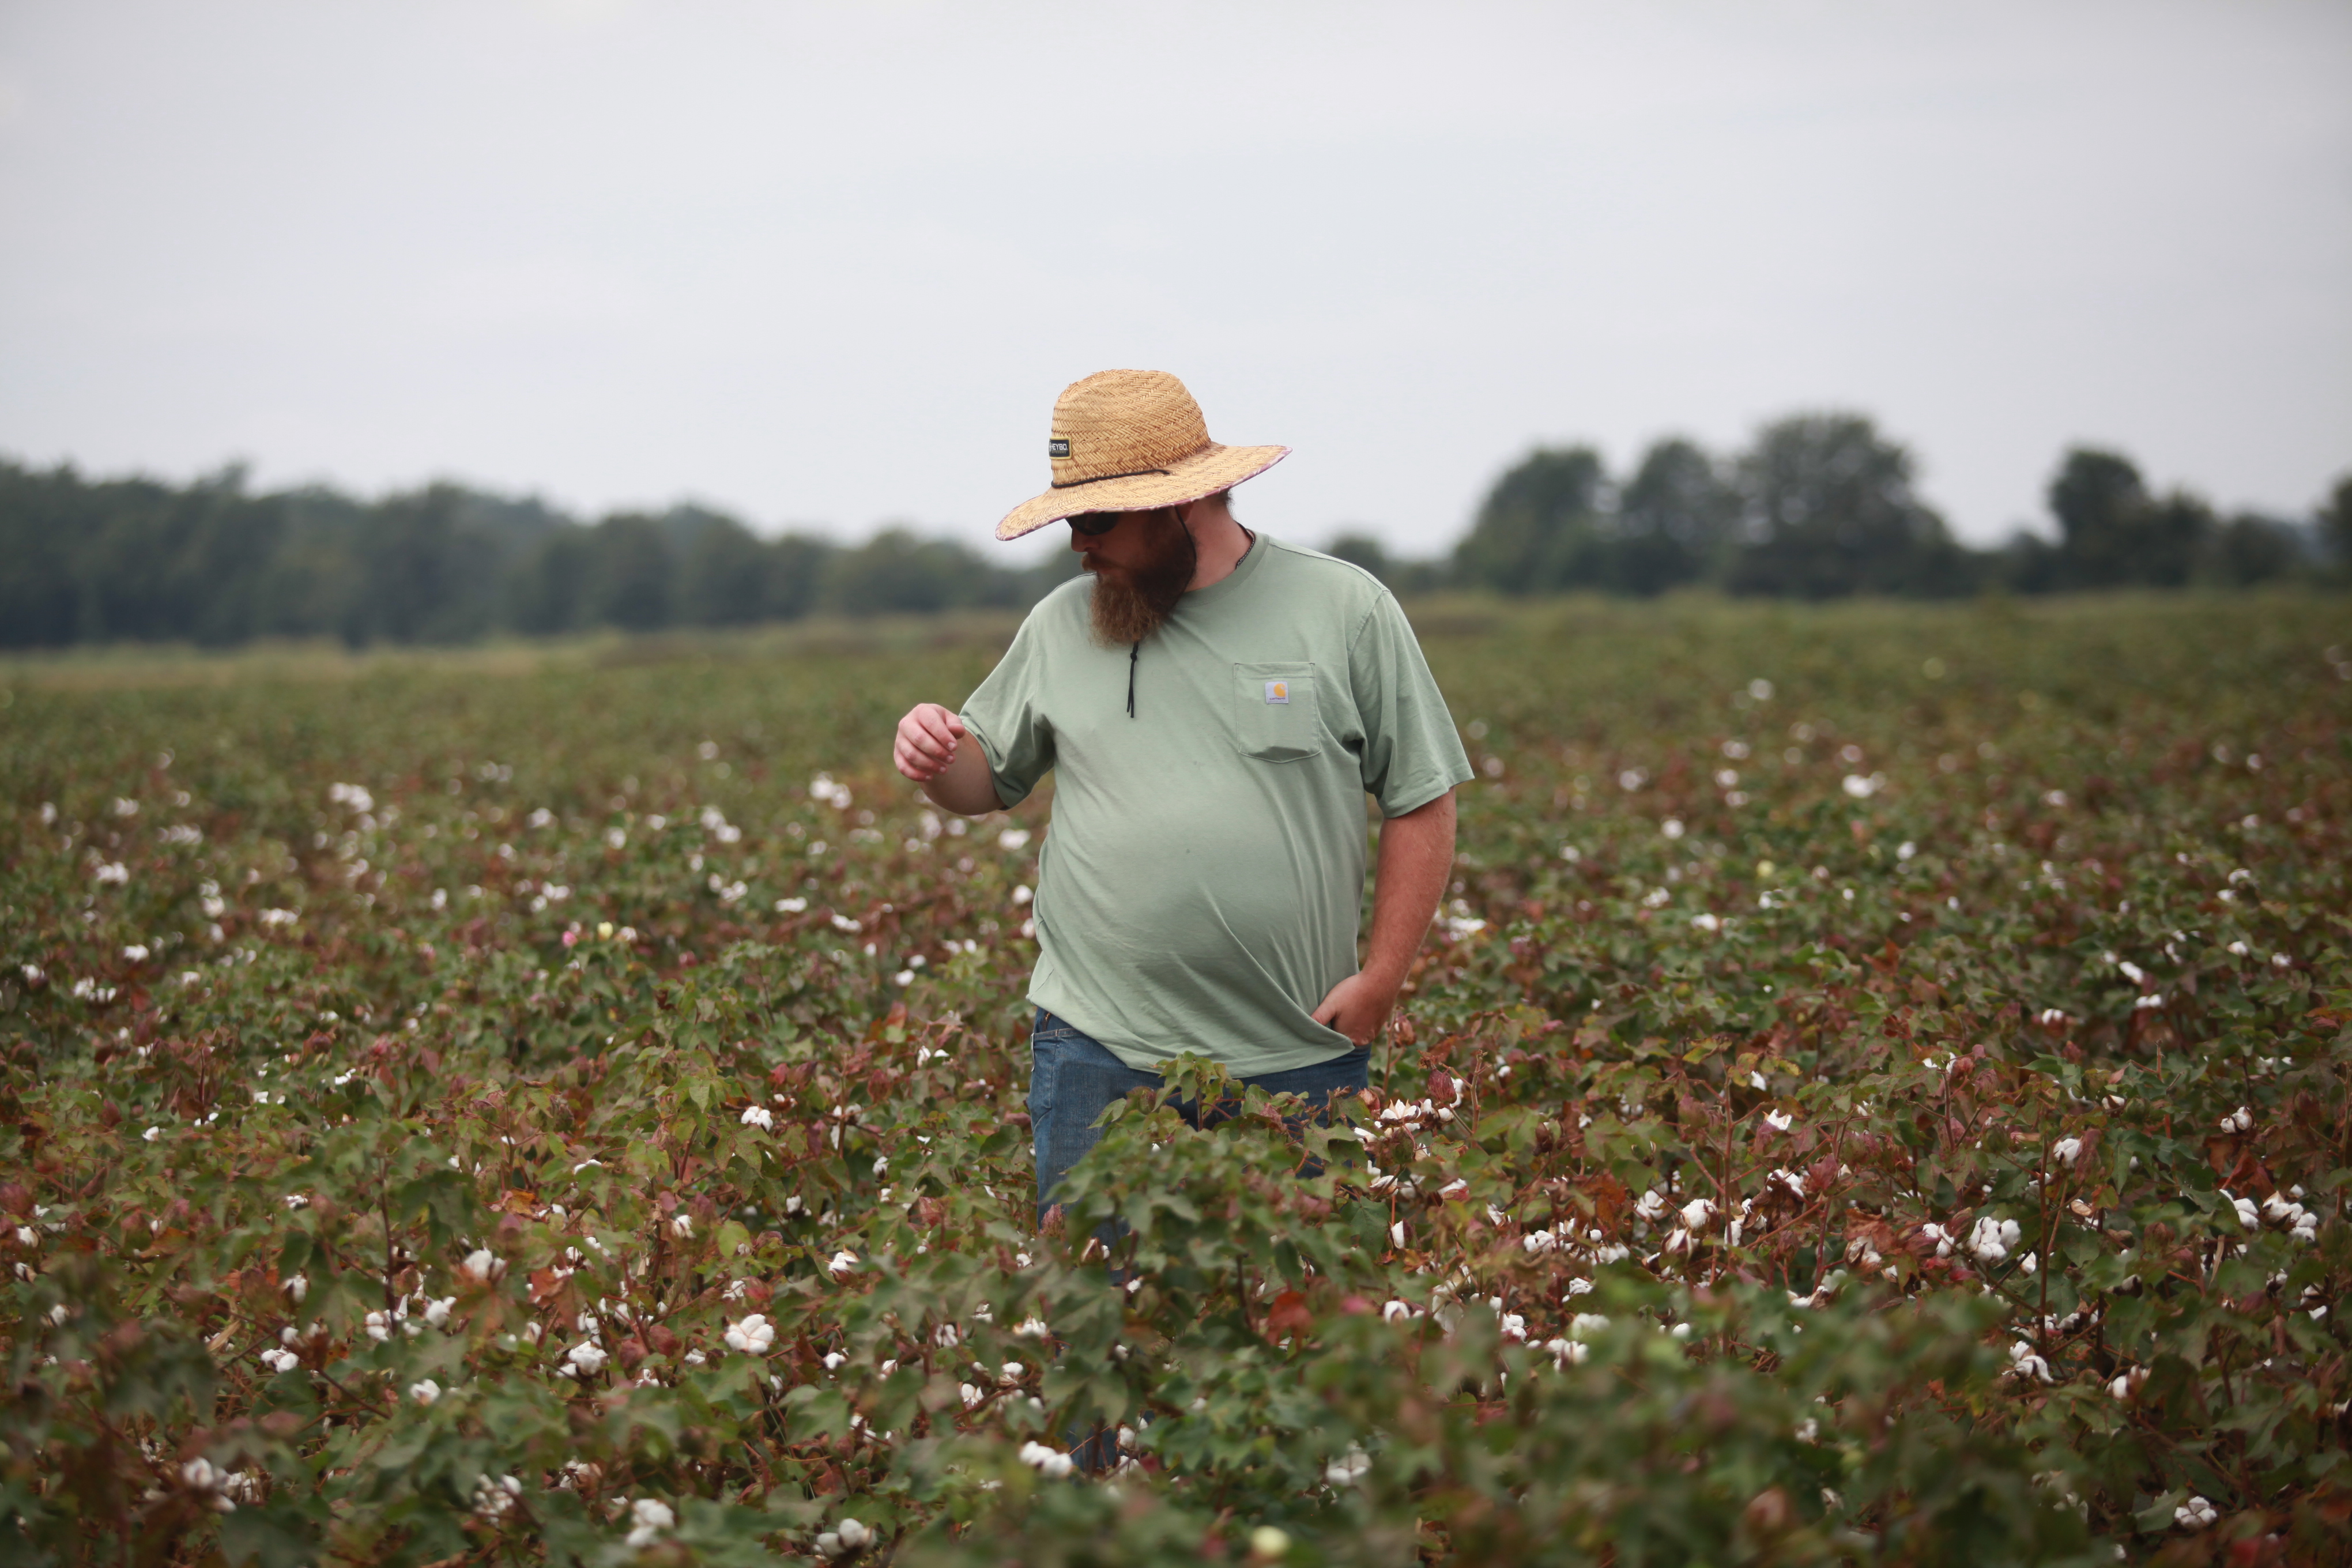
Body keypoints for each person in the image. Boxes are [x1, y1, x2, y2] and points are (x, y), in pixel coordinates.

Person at [891, 368, 1472, 1225]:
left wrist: (1383, 978)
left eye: (1096, 520)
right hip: (1098, 1053)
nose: (1080, 545)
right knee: (1098, 1327)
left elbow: (1422, 799)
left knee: (1303, 1337)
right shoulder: (1060, 624)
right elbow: (985, 781)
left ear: (1180, 505)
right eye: (1069, 521)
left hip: (1298, 1051)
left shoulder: (1344, 609)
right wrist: (935, 753)